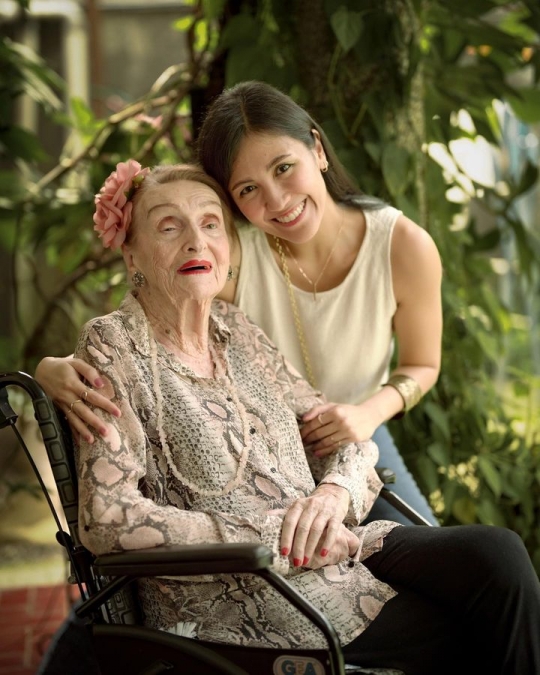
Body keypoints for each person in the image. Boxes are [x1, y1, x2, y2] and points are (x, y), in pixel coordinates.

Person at [40, 160, 540, 675]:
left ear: (230, 246)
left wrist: (333, 495)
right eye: (169, 227)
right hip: (245, 589)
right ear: (131, 253)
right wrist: (274, 536)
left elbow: (344, 438)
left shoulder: (237, 330)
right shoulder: (114, 345)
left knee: (495, 555)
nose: (196, 241)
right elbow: (108, 519)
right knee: (466, 633)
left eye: (211, 224)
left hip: (335, 550)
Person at [35, 81, 443, 527]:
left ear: (318, 149)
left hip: (354, 438)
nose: (278, 200)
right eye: (248, 189)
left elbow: (423, 364)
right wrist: (52, 369)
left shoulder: (402, 246)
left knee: (436, 554)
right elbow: (148, 329)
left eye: (284, 168)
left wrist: (366, 414)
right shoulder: (230, 257)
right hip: (260, 453)